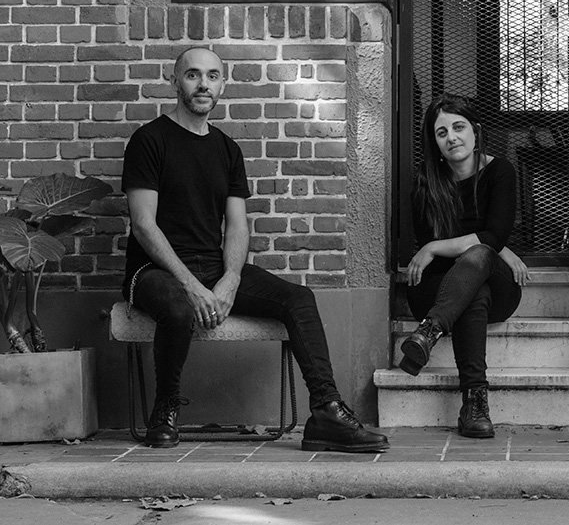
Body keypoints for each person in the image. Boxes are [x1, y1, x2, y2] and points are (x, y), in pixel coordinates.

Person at [120, 46, 389, 453]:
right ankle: (165, 407)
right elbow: (144, 225)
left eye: (212, 76)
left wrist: (230, 278)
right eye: (193, 75)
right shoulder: (149, 140)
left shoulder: (227, 149)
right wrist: (191, 285)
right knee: (177, 307)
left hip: (213, 267)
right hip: (153, 272)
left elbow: (237, 225)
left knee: (299, 299)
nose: (203, 84)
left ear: (222, 85)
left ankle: (326, 411)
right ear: (174, 81)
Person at [400, 92, 530, 439]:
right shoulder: (425, 182)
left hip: (497, 289)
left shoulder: (500, 171)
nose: (452, 138)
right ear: (435, 142)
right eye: (442, 133)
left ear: (476, 131)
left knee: (482, 256)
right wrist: (488, 243)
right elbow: (486, 238)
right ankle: (475, 405)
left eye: (458, 127)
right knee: (475, 289)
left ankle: (430, 331)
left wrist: (435, 246)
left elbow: (494, 235)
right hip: (437, 288)